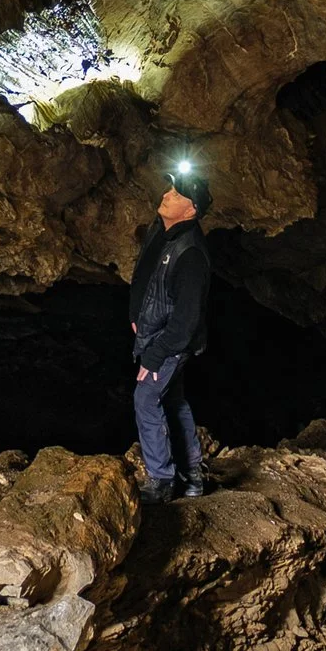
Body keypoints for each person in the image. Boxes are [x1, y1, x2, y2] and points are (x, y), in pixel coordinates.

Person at [129, 166, 212, 502]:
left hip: (171, 341)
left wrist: (156, 354)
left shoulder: (191, 253)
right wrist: (136, 315)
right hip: (156, 333)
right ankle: (192, 476)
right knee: (173, 401)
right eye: (170, 188)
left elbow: (186, 319)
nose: (167, 195)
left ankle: (162, 481)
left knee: (146, 399)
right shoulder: (162, 231)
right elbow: (146, 278)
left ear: (191, 210)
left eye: (177, 194)